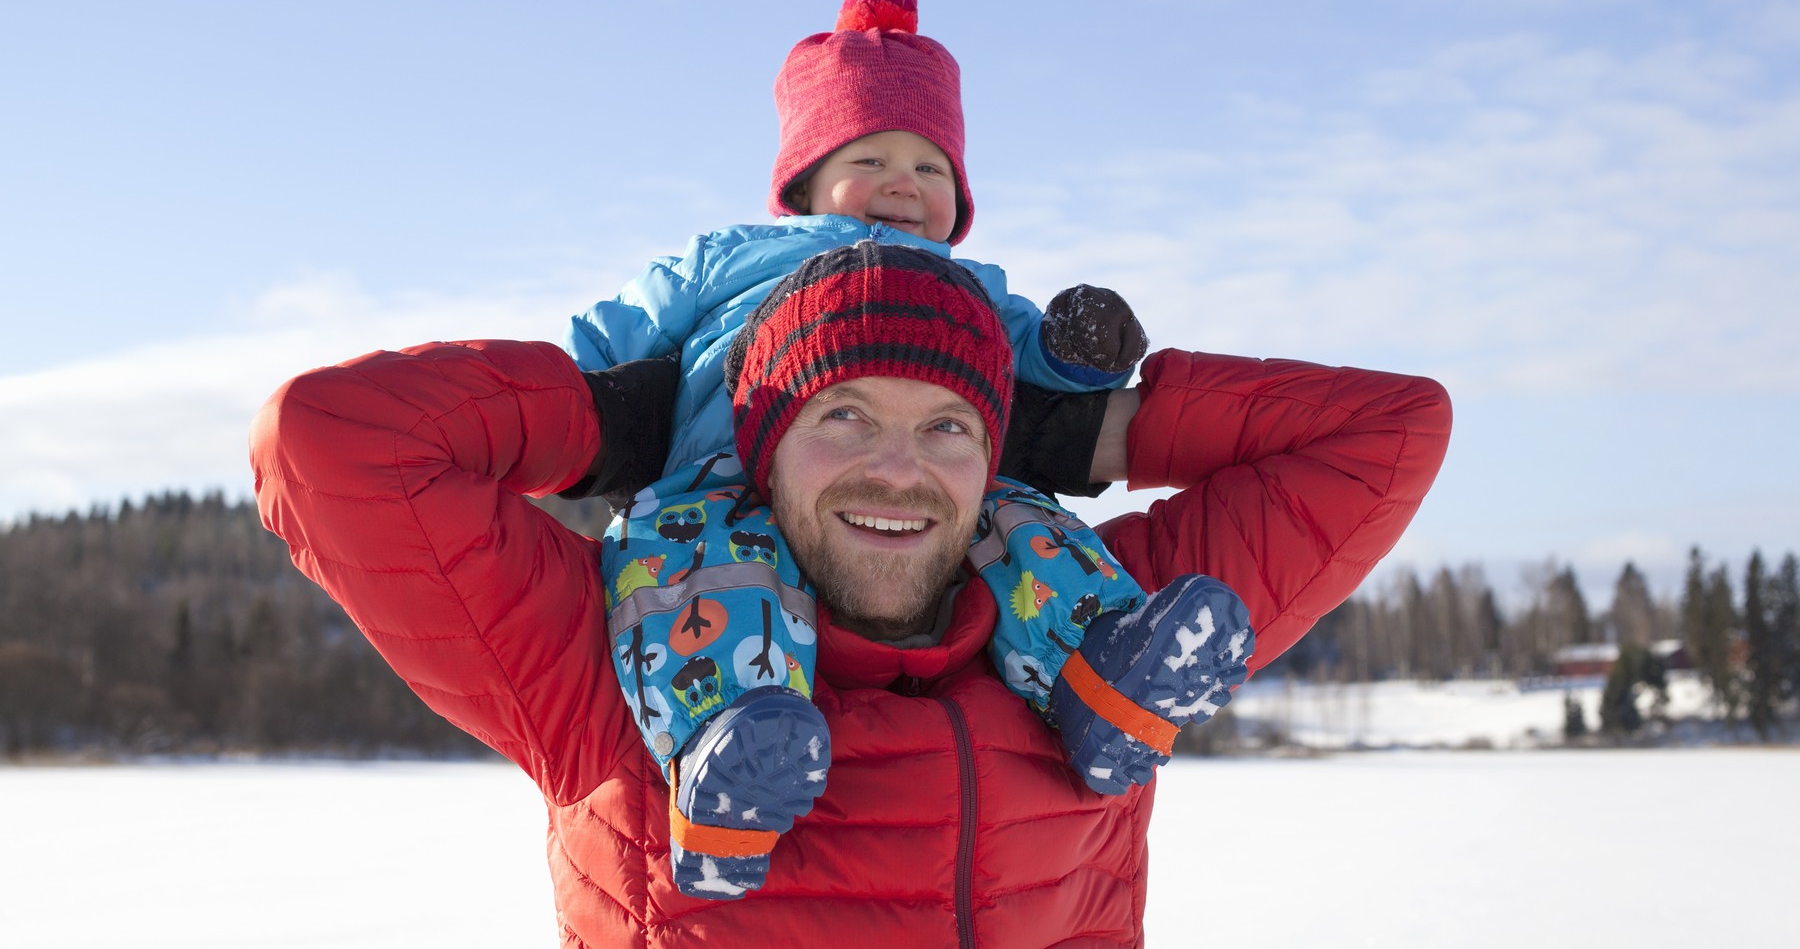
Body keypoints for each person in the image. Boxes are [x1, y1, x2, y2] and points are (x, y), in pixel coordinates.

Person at [250, 240, 1452, 946]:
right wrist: (606, 419)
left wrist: (1091, 428)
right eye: (843, 418)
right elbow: (328, 442)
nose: (899, 467)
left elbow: (1389, 432)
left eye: (946, 428)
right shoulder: (608, 657)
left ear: (997, 460)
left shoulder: (1104, 623)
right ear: (759, 449)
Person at [559, 0, 1251, 896]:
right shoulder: (731, 257)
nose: (904, 183)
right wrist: (564, 398)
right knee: (697, 578)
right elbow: (621, 331)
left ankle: (1102, 679)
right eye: (872, 156)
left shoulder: (967, 286)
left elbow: (1028, 357)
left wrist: (1074, 349)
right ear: (801, 181)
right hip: (720, 482)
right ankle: (724, 764)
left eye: (931, 169)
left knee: (1023, 527)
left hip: (918, 486)